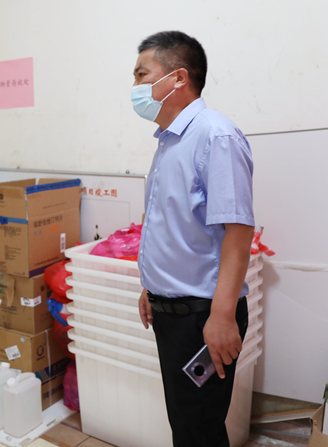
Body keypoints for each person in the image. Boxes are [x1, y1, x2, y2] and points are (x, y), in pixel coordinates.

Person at [133, 31, 255, 446]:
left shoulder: (215, 135)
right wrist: (151, 287)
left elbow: (238, 233)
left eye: (142, 74)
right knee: (186, 425)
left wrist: (222, 317)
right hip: (172, 312)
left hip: (203, 316)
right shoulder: (170, 140)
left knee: (199, 431)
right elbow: (171, 224)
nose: (135, 86)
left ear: (178, 78)